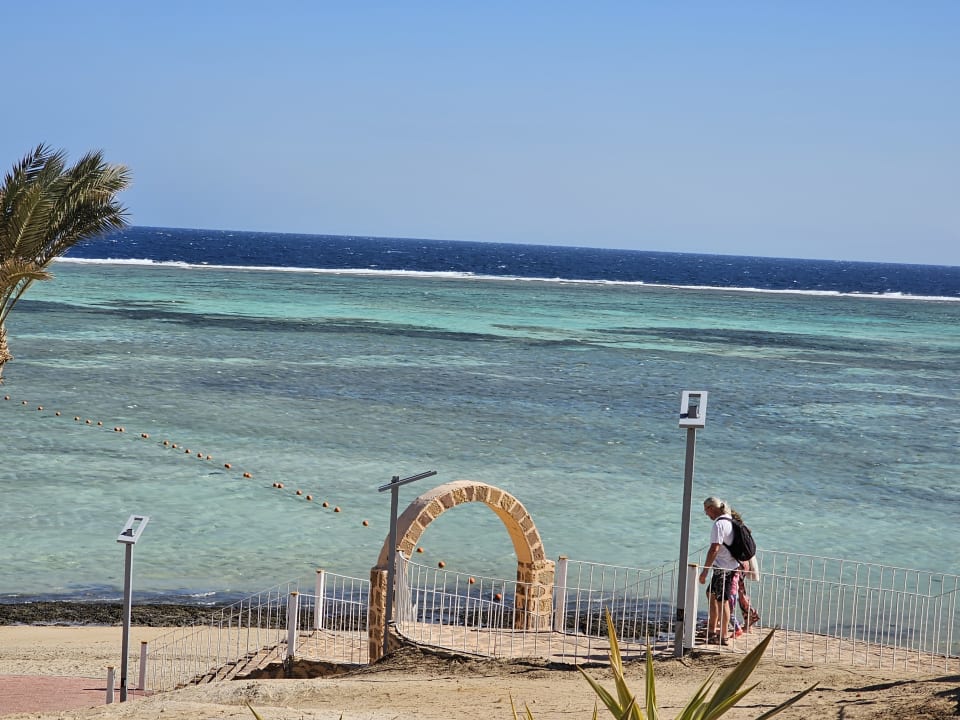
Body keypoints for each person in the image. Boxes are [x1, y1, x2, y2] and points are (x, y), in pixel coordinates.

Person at [698, 496, 741, 645]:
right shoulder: (731, 520)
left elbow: (714, 548)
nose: (707, 515)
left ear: (711, 508)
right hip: (730, 566)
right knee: (711, 594)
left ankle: (723, 636)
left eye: (706, 512)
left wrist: (704, 571)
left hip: (724, 568)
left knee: (722, 601)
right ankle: (712, 630)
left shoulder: (719, 524)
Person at [730, 508, 761, 632]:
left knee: (736, 591)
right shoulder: (743, 528)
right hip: (745, 563)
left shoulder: (733, 529)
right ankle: (749, 617)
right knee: (740, 590)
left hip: (739, 563)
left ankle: (750, 616)